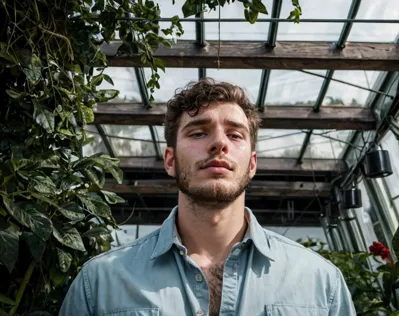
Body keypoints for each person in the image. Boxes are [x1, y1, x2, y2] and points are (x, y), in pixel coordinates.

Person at [60, 78, 356, 316]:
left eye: (235, 134)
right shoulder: (98, 283)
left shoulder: (320, 281)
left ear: (252, 164)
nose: (218, 143)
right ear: (170, 160)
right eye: (198, 133)